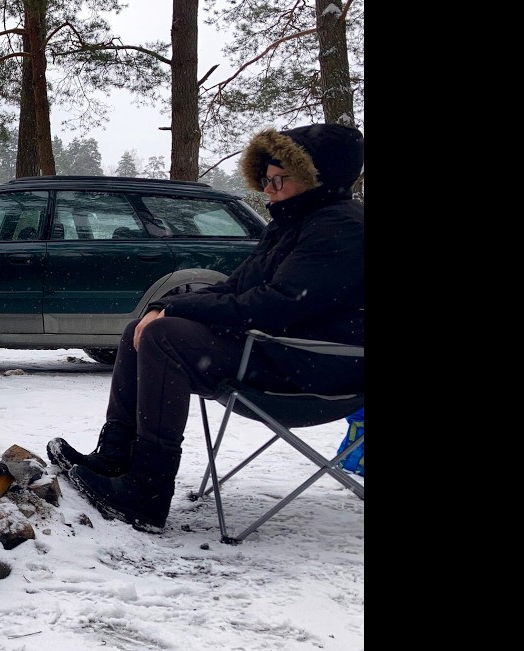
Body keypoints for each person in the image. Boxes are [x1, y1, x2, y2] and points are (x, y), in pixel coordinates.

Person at [48, 122, 365, 532]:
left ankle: (148, 490)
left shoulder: (341, 228)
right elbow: (236, 287)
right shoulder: (293, 222)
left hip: (318, 368)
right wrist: (165, 305)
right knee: (139, 332)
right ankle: (115, 456)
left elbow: (275, 306)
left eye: (277, 179)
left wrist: (174, 314)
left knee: (164, 339)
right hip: (281, 351)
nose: (267, 190)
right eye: (264, 180)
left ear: (313, 176)